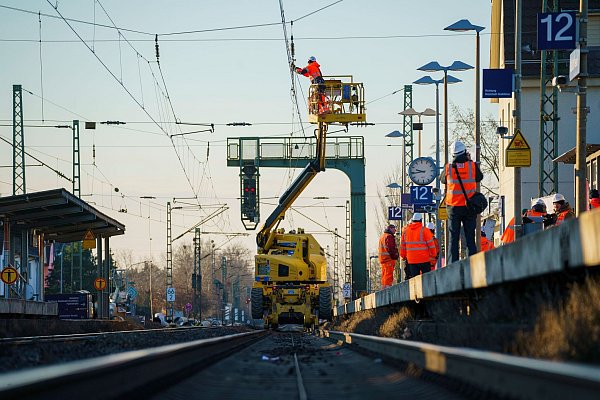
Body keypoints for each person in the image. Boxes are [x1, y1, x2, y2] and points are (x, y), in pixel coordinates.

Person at [440, 140, 483, 263]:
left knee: (453, 238)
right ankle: (472, 263)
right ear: (465, 152)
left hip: (453, 208)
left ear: (452, 155)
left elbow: (442, 179)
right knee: (470, 237)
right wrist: (469, 161)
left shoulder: (448, 168)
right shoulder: (472, 166)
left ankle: (452, 264)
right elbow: (479, 177)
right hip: (469, 207)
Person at [400, 213, 437, 280]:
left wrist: (403, 256)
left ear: (413, 220)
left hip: (412, 260)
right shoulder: (425, 230)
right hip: (424, 259)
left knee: (415, 280)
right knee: (426, 279)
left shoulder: (406, 232)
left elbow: (403, 246)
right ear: (421, 220)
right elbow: (431, 245)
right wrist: (434, 254)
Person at [378, 224, 399, 289]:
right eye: (394, 228)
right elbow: (390, 248)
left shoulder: (382, 237)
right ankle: (387, 289)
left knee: (384, 276)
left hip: (383, 259)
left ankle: (384, 288)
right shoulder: (389, 237)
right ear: (390, 229)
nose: (395, 230)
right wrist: (395, 256)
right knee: (388, 275)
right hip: (388, 259)